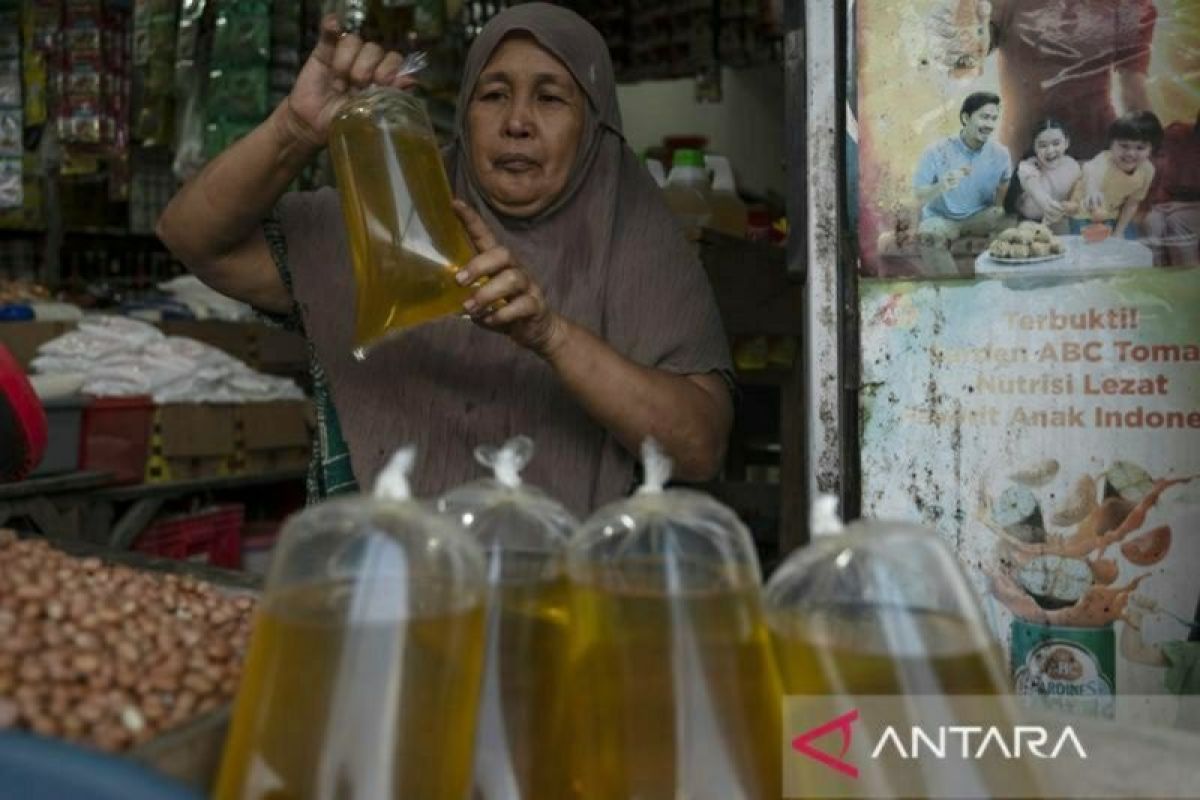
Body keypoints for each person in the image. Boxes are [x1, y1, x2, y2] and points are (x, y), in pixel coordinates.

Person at [155, 4, 734, 515]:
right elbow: (193, 238)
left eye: (551, 98)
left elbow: (699, 447)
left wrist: (551, 335)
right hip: (380, 587)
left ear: (593, 128)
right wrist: (295, 128)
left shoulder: (635, 245)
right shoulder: (393, 215)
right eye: (494, 94)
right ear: (464, 114)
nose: (517, 122)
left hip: (560, 602)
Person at [929, 0, 1158, 163]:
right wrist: (959, 41)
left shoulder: (1130, 5)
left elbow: (1133, 94)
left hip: (1099, 161)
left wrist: (1151, 160)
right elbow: (965, 65)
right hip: (1024, 158)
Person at [914, 91, 1013, 276]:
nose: (989, 125)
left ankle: (995, 291)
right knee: (928, 234)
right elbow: (919, 194)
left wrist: (1001, 208)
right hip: (942, 219)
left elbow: (1004, 191)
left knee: (1012, 223)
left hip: (981, 217)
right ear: (966, 117)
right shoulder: (936, 151)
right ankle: (952, 294)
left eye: (993, 119)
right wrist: (941, 186)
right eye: (984, 117)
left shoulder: (1001, 154)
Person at [1068, 110, 1162, 240]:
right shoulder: (1104, 160)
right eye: (1124, 146)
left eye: (1140, 148)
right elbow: (1090, 170)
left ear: (1152, 149)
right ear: (1111, 144)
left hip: (1113, 215)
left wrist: (1119, 232)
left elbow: (1132, 203)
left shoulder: (1147, 170)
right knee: (1090, 251)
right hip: (1084, 215)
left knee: (1129, 246)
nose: (1130, 153)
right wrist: (1092, 190)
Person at [1144, 110, 1200, 266]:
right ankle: (1156, 278)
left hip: (1187, 209)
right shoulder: (1177, 135)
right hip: (1170, 203)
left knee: (1178, 221)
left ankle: (1187, 278)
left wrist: (1180, 206)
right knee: (1152, 222)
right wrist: (1159, 203)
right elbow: (1159, 174)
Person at [1009, 118, 1080, 233]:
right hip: (1029, 223)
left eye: (1056, 143)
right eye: (1043, 145)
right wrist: (1047, 204)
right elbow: (1034, 188)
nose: (1050, 150)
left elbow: (1078, 196)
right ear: (1034, 147)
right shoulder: (1028, 166)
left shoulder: (1072, 165)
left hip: (1060, 221)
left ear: (1066, 143)